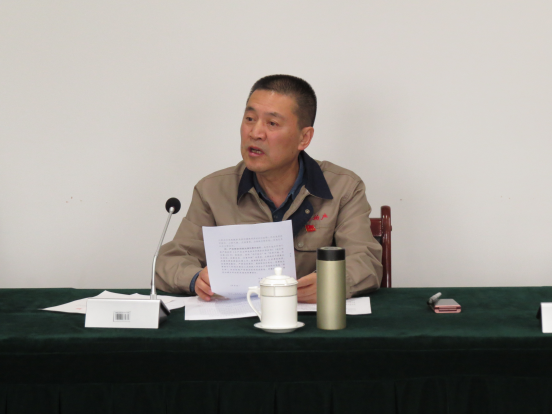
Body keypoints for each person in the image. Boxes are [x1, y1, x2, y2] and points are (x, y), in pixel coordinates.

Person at [155, 75, 382, 303]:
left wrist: (332, 282)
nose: (255, 133)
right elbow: (171, 260)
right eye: (250, 119)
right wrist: (195, 279)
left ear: (304, 138)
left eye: (272, 123)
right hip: (238, 318)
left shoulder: (344, 188)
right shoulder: (212, 190)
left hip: (310, 318)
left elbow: (366, 261)